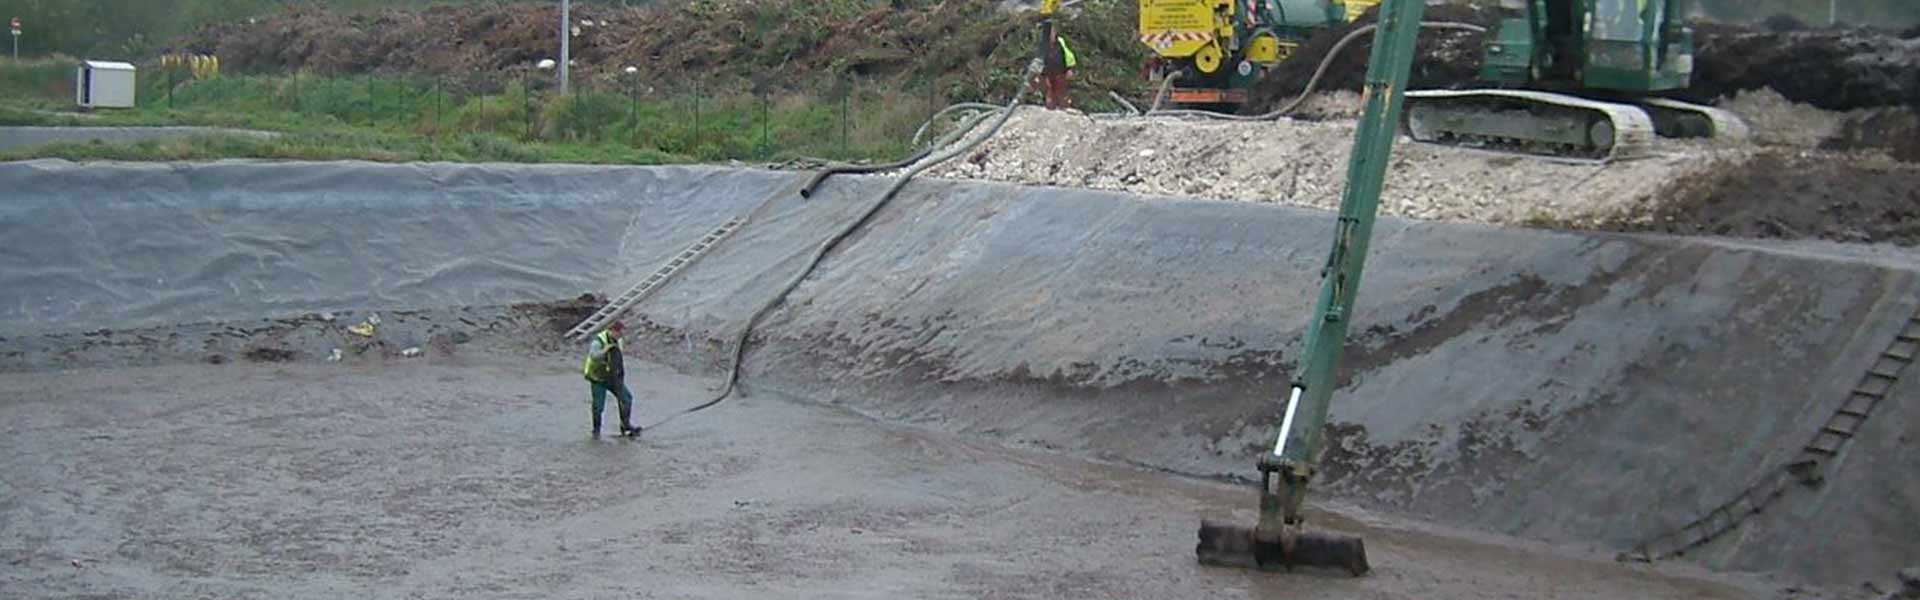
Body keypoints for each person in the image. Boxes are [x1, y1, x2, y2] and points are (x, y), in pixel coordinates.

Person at [582, 321, 639, 439]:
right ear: (611, 330)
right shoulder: (598, 342)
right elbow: (594, 356)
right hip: (597, 378)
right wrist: (605, 350)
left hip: (612, 377)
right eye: (618, 333)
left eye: (621, 333)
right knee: (598, 405)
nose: (620, 336)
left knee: (626, 398)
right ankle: (596, 431)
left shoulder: (619, 341)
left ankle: (625, 425)